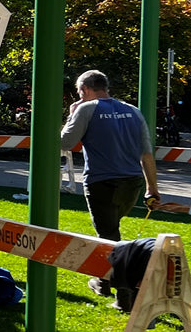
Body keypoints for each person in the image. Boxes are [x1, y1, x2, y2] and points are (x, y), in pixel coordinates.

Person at [60, 70, 161, 300]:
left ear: (85, 89)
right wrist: (152, 188)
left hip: (101, 182)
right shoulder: (133, 111)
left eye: (79, 92)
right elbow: (146, 154)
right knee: (111, 231)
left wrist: (71, 116)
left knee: (109, 237)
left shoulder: (86, 108)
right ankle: (103, 281)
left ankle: (124, 294)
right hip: (132, 183)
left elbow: (65, 142)